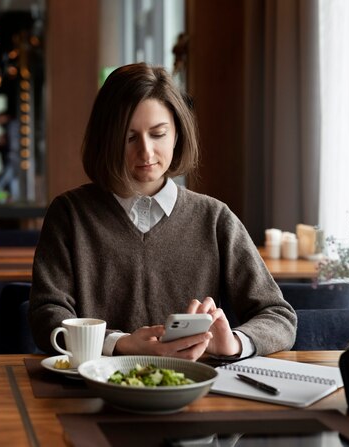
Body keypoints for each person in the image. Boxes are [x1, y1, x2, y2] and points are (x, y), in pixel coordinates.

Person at [28, 62, 297, 361]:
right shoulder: (70, 215)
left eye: (158, 134)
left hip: (194, 393)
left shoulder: (214, 218)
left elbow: (278, 316)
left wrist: (233, 343)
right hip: (95, 392)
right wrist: (121, 343)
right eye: (130, 138)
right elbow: (46, 316)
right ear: (107, 141)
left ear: (177, 134)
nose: (146, 152)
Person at [0, 110, 20, 200]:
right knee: (13, 183)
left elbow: (13, 145)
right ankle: (15, 204)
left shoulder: (12, 126)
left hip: (12, 160)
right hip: (12, 160)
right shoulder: (9, 128)